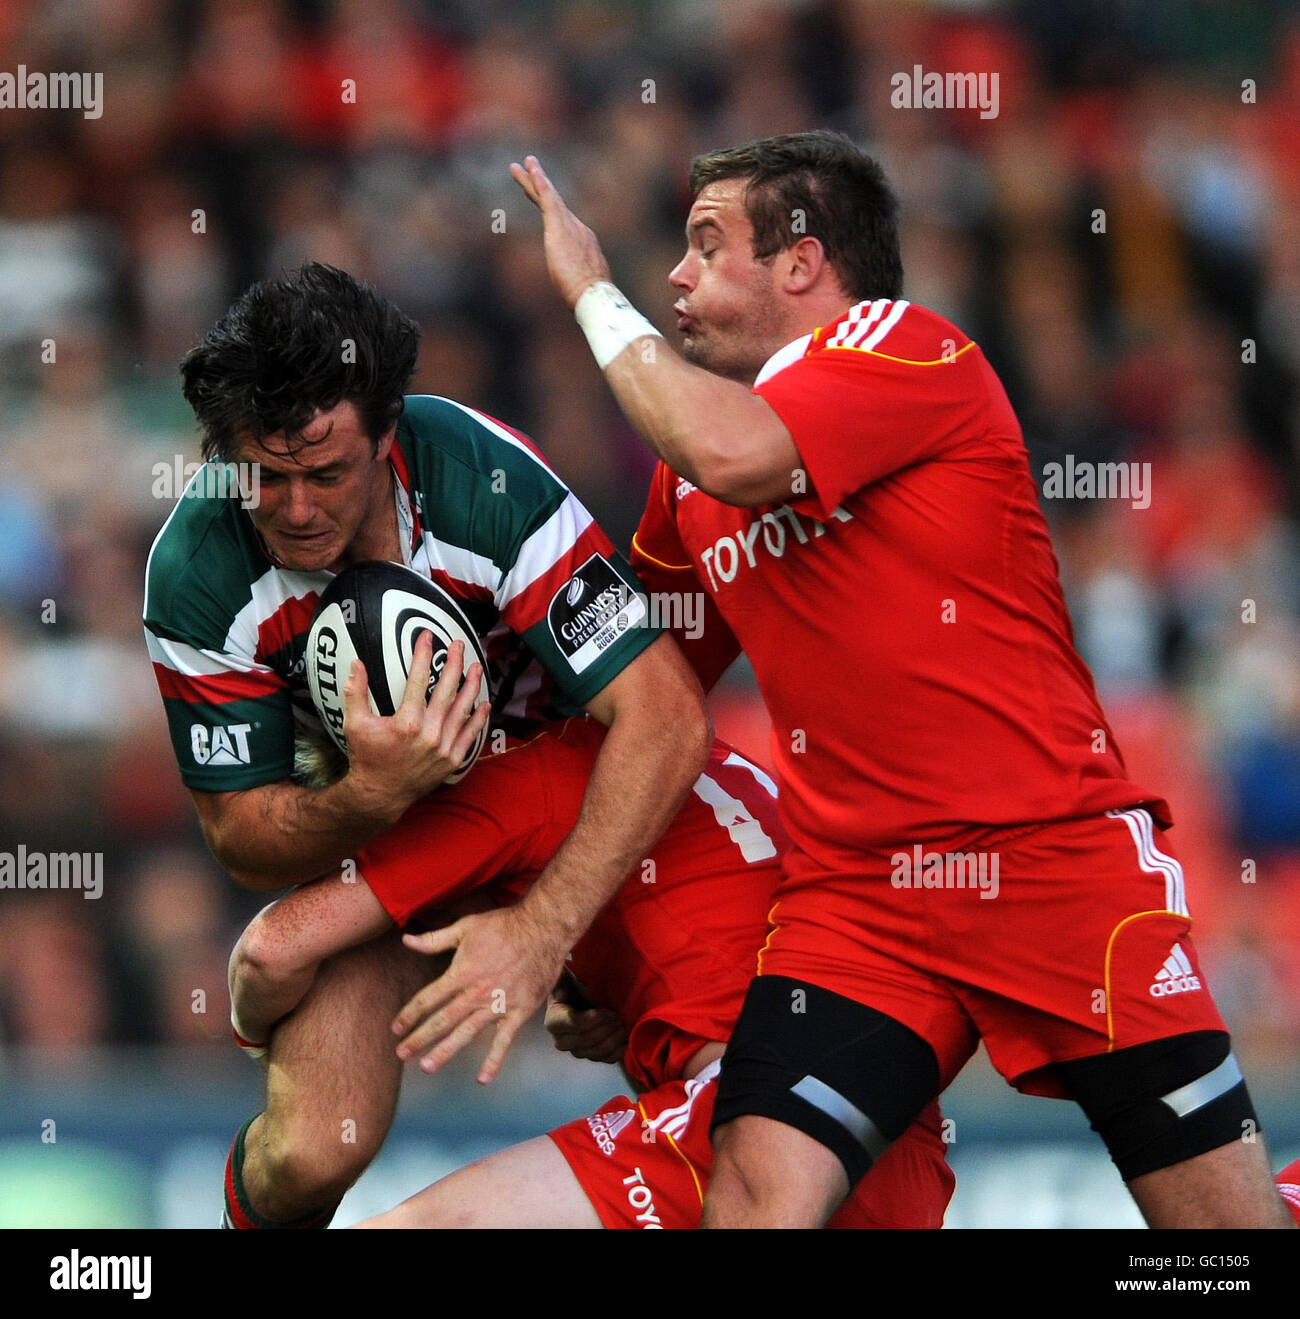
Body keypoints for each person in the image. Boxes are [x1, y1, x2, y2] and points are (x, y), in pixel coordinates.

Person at [510, 130, 1295, 1228]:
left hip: (1049, 864)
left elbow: (735, 451)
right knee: (755, 1195)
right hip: (862, 900)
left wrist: (593, 294)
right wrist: (572, 934)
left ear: (801, 260)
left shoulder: (905, 348)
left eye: (706, 244)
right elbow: (640, 696)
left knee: (1223, 1243)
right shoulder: (688, 486)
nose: (676, 276)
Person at [143, 261, 711, 1227]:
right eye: (265, 477)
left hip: (561, 810)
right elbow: (241, 838)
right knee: (314, 1150)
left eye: (327, 474)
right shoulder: (197, 572)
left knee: (724, 1062)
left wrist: (547, 931)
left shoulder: (482, 478)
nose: (296, 509)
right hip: (387, 842)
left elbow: (666, 717)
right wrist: (371, 794)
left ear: (389, 436)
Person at [224, 717, 953, 1229]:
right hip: (889, 1133)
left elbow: (271, 952)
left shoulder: (517, 774)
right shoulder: (689, 752)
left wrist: (254, 1034)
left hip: (764, 1117)